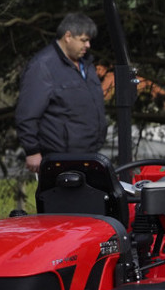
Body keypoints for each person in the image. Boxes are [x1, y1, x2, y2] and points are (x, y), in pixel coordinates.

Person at [15, 13, 107, 173]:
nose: (88, 46)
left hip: (89, 155)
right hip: (60, 158)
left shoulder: (86, 64)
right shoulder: (43, 67)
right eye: (84, 40)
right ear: (68, 36)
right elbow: (27, 113)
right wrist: (32, 151)